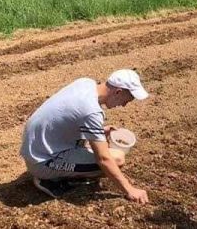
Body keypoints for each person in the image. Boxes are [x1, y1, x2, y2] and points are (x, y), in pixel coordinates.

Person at [20, 69, 150, 202]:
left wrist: (98, 131)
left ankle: (63, 171)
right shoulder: (91, 111)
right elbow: (104, 159)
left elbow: (71, 116)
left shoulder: (85, 83)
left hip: (37, 148)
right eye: (126, 101)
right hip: (43, 161)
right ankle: (50, 180)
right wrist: (130, 190)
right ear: (118, 92)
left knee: (104, 153)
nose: (123, 106)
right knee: (117, 159)